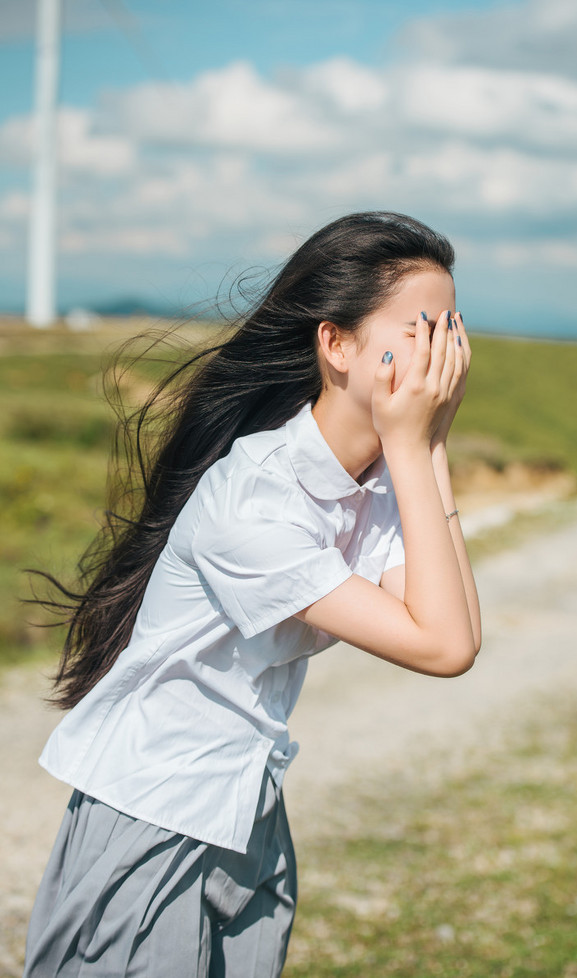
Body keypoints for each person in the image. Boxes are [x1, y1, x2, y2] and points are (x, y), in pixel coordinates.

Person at [23, 210, 481, 977]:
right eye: (424, 328)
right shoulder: (254, 500)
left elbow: (454, 630)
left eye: (454, 329)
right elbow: (442, 648)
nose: (446, 354)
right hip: (150, 811)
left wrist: (427, 448)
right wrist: (414, 442)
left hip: (246, 809)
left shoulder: (377, 485)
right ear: (336, 345)